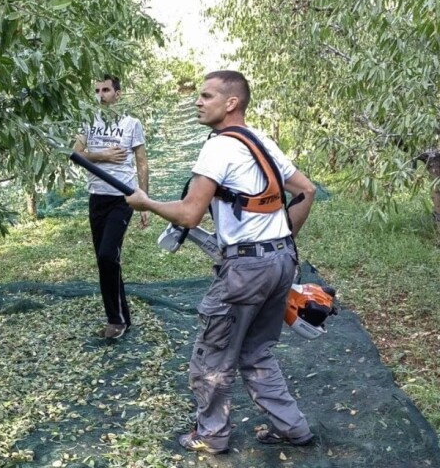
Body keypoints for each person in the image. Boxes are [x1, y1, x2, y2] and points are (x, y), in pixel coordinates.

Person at [124, 70, 318, 454]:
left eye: (206, 95)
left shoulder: (218, 147)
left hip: (246, 271)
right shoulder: (260, 139)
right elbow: (306, 190)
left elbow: (189, 214)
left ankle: (212, 435)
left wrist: (145, 202)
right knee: (256, 351)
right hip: (281, 262)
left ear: (231, 103)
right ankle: (292, 428)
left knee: (213, 355)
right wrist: (281, 240)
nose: (198, 101)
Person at [73, 74, 150, 339]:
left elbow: (141, 162)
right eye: (96, 90)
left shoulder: (131, 123)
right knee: (105, 259)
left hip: (123, 197)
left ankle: (115, 319)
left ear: (118, 93)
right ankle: (120, 316)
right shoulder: (88, 120)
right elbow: (76, 155)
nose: (100, 94)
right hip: (97, 196)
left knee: (108, 254)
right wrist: (102, 155)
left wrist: (144, 202)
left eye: (106, 89)